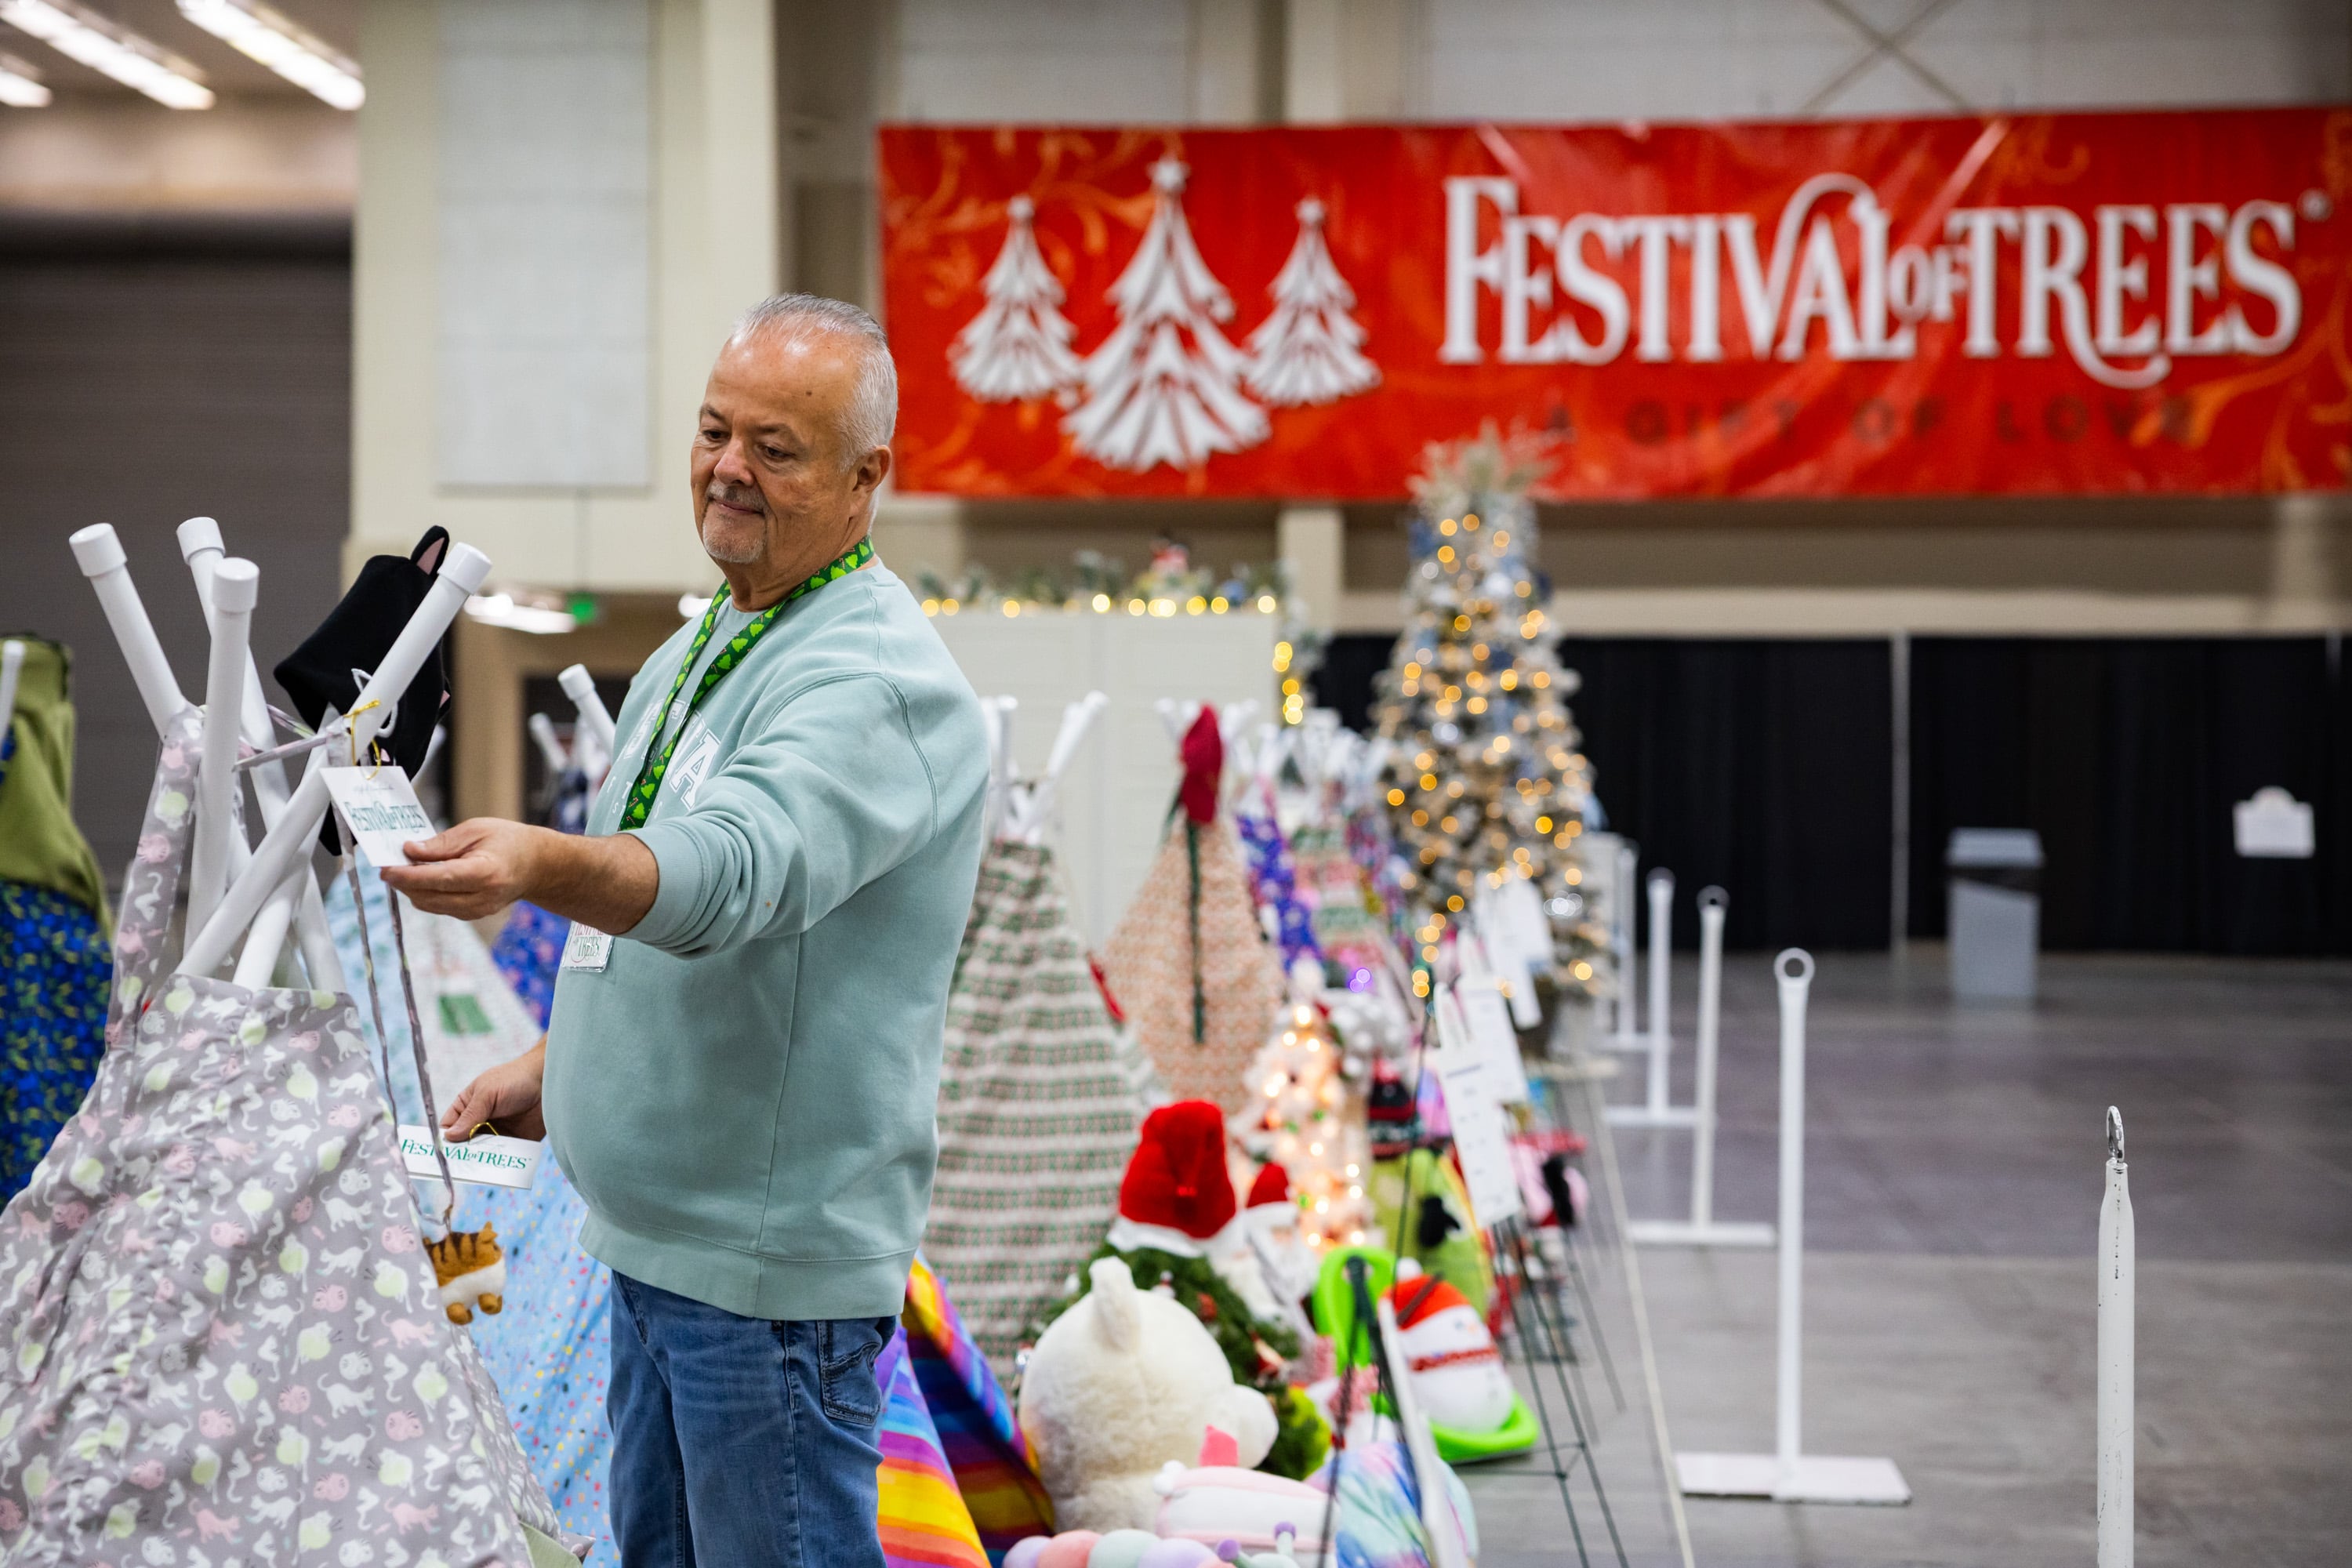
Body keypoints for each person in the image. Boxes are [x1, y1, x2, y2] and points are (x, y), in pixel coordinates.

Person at [383, 294, 988, 1567]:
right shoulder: (709, 640)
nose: (728, 469)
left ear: (869, 476)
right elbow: (660, 902)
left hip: (764, 1284)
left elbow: (727, 879)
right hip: (663, 1254)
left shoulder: (870, 679)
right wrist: (569, 1066)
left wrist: (538, 862)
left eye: (777, 447)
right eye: (716, 432)